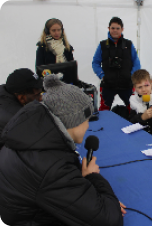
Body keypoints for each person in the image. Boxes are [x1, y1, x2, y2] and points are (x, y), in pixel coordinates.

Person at [0, 74, 125, 226]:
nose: (88, 126)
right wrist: (93, 177)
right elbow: (109, 220)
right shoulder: (52, 168)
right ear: (72, 122)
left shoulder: (33, 134)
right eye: (86, 120)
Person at [92, 17, 141, 111]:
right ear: (108, 28)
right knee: (104, 110)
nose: (115, 30)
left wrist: (132, 76)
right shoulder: (102, 45)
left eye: (117, 28)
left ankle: (133, 125)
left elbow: (136, 62)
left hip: (127, 84)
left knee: (133, 108)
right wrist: (102, 75)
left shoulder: (129, 44)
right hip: (108, 84)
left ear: (122, 29)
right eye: (112, 28)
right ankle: (104, 125)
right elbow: (95, 63)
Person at [0, 68, 43, 149]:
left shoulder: (5, 91)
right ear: (22, 98)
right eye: (37, 94)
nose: (41, 98)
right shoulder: (17, 120)